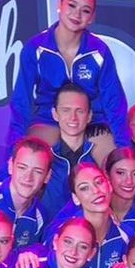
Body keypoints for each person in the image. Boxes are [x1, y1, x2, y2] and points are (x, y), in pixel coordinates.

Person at [7, 0, 128, 151]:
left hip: (92, 121)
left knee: (117, 162)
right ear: (59, 5)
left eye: (85, 10)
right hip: (49, 120)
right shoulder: (35, 48)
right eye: (72, 5)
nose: (77, 14)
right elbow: (22, 100)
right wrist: (15, 146)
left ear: (92, 17)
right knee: (32, 158)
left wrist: (123, 146)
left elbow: (114, 100)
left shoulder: (100, 51)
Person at [51, 162, 130, 268]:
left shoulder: (125, 235)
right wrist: (28, 256)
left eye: (99, 182)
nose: (95, 191)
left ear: (109, 185)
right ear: (76, 198)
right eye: (84, 188)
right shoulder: (63, 233)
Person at [38, 84, 98, 219]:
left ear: (89, 116)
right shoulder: (43, 159)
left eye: (80, 111)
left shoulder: (99, 160)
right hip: (48, 231)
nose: (73, 118)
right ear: (55, 114)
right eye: (66, 110)